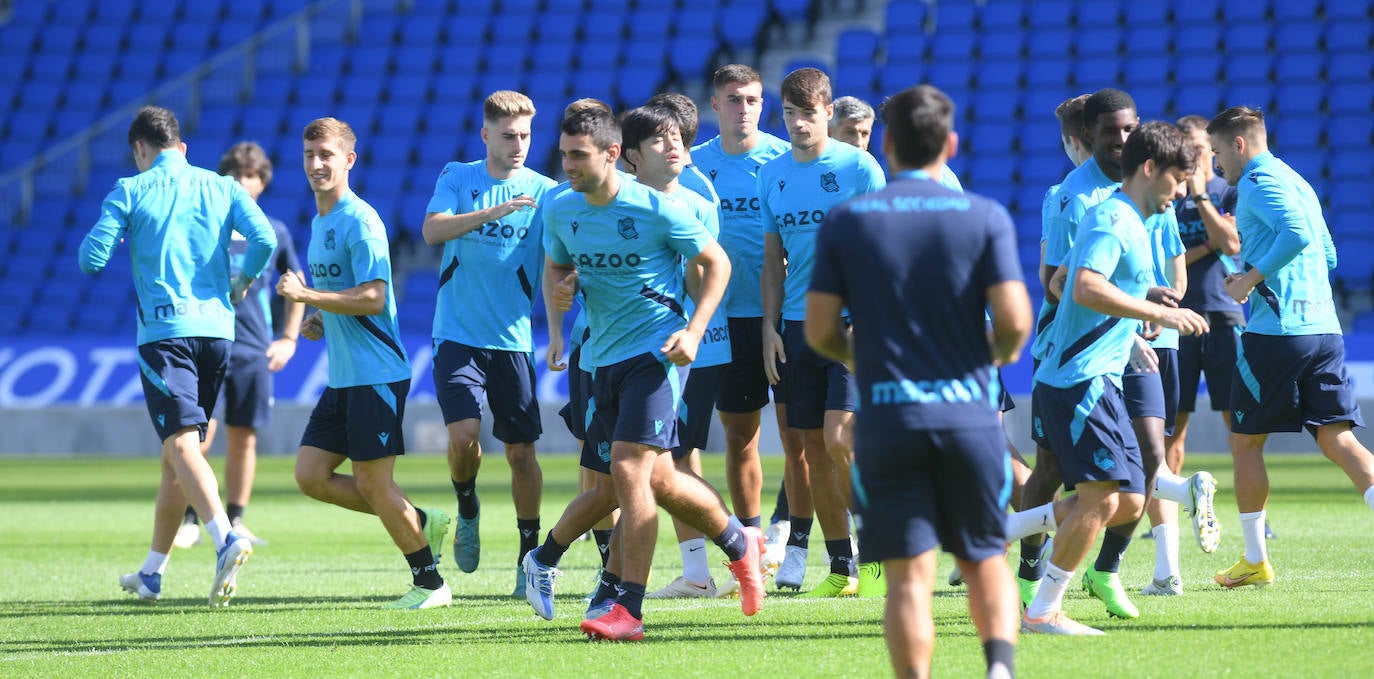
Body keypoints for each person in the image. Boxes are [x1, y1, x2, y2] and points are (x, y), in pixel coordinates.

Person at [807, 84, 1029, 679]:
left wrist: (868, 364)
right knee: (985, 558)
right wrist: (978, 361)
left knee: (908, 578)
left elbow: (821, 330)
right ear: (950, 144)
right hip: (967, 417)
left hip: (889, 419)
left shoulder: (849, 221)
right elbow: (1014, 327)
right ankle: (999, 669)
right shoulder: (984, 216)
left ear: (886, 146)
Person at [525, 106, 762, 641]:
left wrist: (695, 331)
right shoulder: (561, 208)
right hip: (600, 359)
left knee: (630, 470)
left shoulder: (658, 209)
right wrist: (561, 308)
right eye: (564, 155)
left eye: (578, 155)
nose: (568, 165)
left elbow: (718, 263)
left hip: (655, 357)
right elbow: (558, 264)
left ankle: (626, 607)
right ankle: (739, 543)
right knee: (658, 479)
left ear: (613, 155)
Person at [1023, 121, 1207, 635]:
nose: (1182, 192)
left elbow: (1071, 281)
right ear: (1149, 168)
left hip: (1099, 375)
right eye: (1178, 179)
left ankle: (999, 530)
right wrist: (1159, 313)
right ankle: (1043, 611)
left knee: (1129, 499)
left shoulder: (1131, 219)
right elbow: (1081, 286)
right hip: (1078, 379)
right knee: (1103, 498)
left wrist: (1131, 325)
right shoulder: (1114, 219)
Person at [85, 106, 273, 606]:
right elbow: (265, 239)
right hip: (218, 333)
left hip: (166, 333)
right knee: (178, 453)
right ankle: (152, 572)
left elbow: (91, 259)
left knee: (182, 444)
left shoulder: (130, 189)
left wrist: (116, 232)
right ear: (182, 148)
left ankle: (224, 538)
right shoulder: (223, 186)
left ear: (139, 149)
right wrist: (242, 281)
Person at [280, 117, 451, 609]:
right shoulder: (321, 222)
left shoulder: (360, 220)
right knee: (311, 475)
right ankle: (420, 519)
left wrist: (308, 296)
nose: (316, 164)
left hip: (376, 374)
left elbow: (375, 297)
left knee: (375, 484)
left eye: (326, 155)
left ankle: (431, 584)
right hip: (345, 376)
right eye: (310, 155)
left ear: (349, 160)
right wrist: (321, 316)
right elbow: (347, 292)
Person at [1208, 106, 1374, 588]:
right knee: (1337, 438)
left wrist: (1250, 279)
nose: (1217, 163)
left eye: (1218, 152)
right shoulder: (1297, 180)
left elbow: (1297, 235)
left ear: (1239, 144)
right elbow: (1328, 253)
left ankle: (1255, 560)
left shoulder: (1256, 182)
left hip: (1277, 333)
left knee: (1244, 441)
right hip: (1324, 327)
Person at [420, 90, 557, 595]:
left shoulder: (545, 192)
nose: (518, 145)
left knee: (521, 453)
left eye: (525, 135)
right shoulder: (458, 177)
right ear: (486, 135)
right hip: (456, 333)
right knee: (463, 437)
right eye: (508, 135)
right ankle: (467, 504)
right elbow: (432, 230)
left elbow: (559, 261)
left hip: (512, 340)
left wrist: (558, 325)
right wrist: (492, 212)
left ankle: (528, 555)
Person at [760, 67, 886, 597]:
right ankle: (841, 568)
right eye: (789, 114)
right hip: (796, 327)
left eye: (808, 114)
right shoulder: (772, 175)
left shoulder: (860, 167)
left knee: (840, 440)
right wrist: (769, 329)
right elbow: (773, 262)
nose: (798, 124)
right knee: (812, 450)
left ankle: (878, 553)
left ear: (828, 113)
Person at [690, 64, 804, 578]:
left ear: (764, 105)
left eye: (752, 100)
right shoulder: (694, 166)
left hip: (784, 316)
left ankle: (799, 547)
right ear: (715, 104)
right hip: (726, 318)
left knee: (800, 439)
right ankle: (752, 544)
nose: (743, 109)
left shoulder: (784, 159)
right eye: (733, 99)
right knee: (740, 437)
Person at [173, 141, 304, 550]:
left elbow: (296, 284)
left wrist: (289, 338)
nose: (242, 182)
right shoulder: (205, 224)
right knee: (198, 437)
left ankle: (235, 519)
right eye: (235, 175)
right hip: (207, 343)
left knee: (244, 437)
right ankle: (191, 518)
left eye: (250, 175)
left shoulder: (273, 231)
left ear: (262, 182)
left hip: (252, 348)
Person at [1142, 114, 1242, 595]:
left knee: (1237, 424)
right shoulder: (1169, 195)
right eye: (1190, 148)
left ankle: (1252, 517)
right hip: (1174, 323)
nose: (1197, 155)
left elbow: (1230, 242)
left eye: (1203, 148)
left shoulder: (1223, 192)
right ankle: (1179, 504)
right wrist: (1199, 244)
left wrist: (1202, 197)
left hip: (1220, 315)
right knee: (1171, 428)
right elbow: (1185, 251)